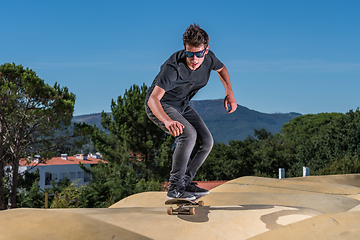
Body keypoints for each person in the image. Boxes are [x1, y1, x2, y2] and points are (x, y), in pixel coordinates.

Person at [145, 24, 237, 200]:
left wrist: (229, 92)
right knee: (188, 135)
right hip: (161, 106)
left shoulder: (209, 59)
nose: (194, 59)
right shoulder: (172, 68)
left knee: (207, 141)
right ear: (184, 49)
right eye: (189, 54)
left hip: (182, 105)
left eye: (198, 54)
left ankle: (185, 182)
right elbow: (153, 100)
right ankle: (175, 188)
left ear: (206, 50)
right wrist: (167, 121)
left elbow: (222, 69)